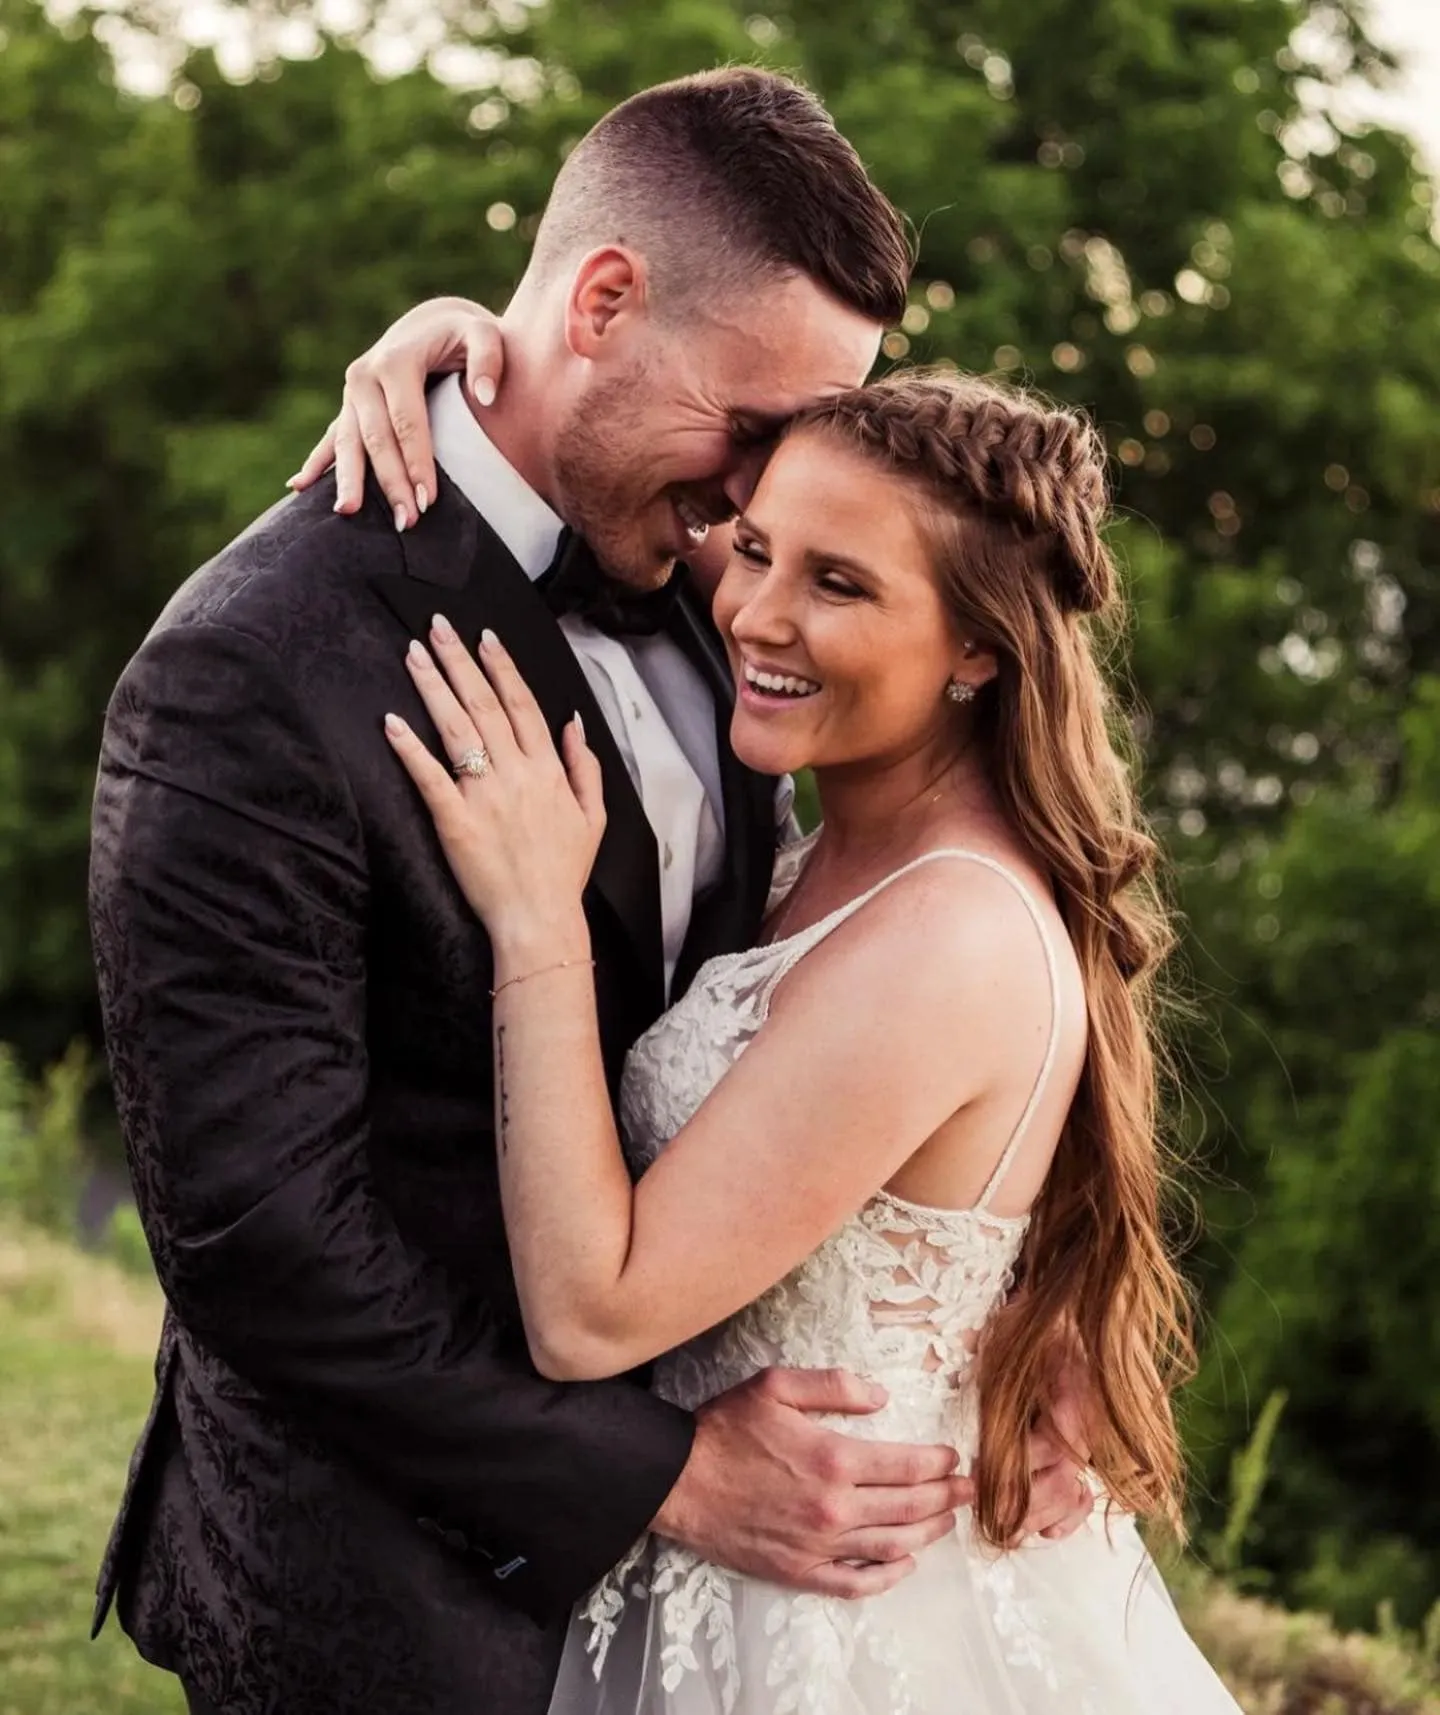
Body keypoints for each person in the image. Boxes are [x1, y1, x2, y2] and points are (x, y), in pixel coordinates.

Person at [89, 68, 1088, 1715]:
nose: (775, 491)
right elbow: (262, 1244)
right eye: (757, 430)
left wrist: (1019, 1315)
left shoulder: (734, 578)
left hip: (747, 1590)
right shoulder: (250, 673)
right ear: (606, 301)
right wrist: (662, 1474)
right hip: (391, 1594)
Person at [377, 367, 1241, 1713]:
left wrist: (537, 916)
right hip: (729, 1580)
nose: (756, 613)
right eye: (760, 549)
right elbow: (619, 434)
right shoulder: (818, 850)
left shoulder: (945, 935)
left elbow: (594, 1308)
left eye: (841, 585)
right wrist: (449, 349)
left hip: (851, 1623)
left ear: (977, 648)